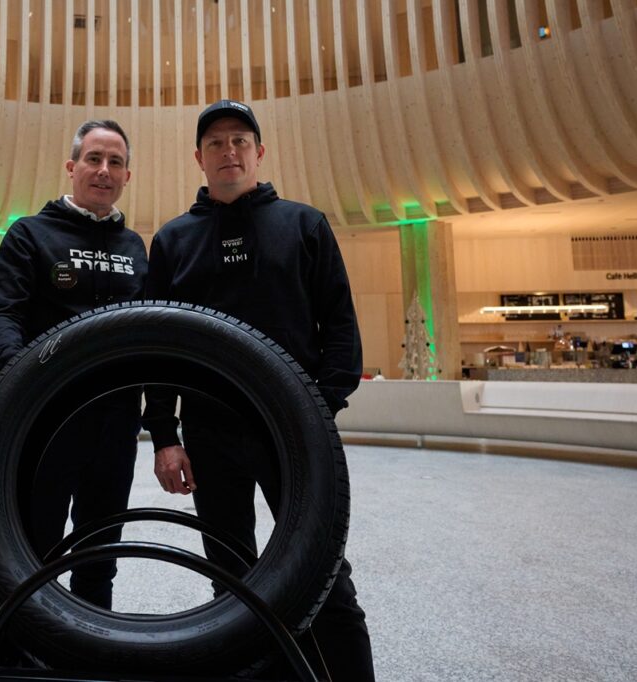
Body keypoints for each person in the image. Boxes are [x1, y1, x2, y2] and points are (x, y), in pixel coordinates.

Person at [142, 100, 375, 681]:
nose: (229, 151)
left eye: (240, 140)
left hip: (296, 431)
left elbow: (340, 329)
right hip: (210, 434)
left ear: (259, 152)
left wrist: (318, 411)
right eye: (216, 143)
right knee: (230, 578)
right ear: (199, 158)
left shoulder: (305, 225)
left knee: (325, 574)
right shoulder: (173, 240)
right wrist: (165, 436)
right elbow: (158, 347)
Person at [0, 119, 147, 609]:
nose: (104, 170)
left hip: (115, 428)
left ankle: (92, 640)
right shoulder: (29, 234)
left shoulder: (135, 247)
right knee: (32, 552)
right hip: (46, 423)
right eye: (94, 159)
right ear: (72, 167)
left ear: (127, 176)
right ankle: (25, 646)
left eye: (115, 162)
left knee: (100, 557)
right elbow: (4, 315)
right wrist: (19, 383)